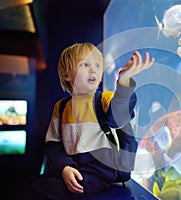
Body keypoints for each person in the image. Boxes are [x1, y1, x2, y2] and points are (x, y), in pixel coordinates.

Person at [17, 42, 154, 199]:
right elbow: (53, 144)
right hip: (73, 167)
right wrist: (65, 167)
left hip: (101, 170)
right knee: (34, 185)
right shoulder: (61, 107)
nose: (93, 69)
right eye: (85, 64)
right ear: (67, 75)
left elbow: (118, 118)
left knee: (42, 190)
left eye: (97, 65)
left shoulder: (104, 98)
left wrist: (124, 82)